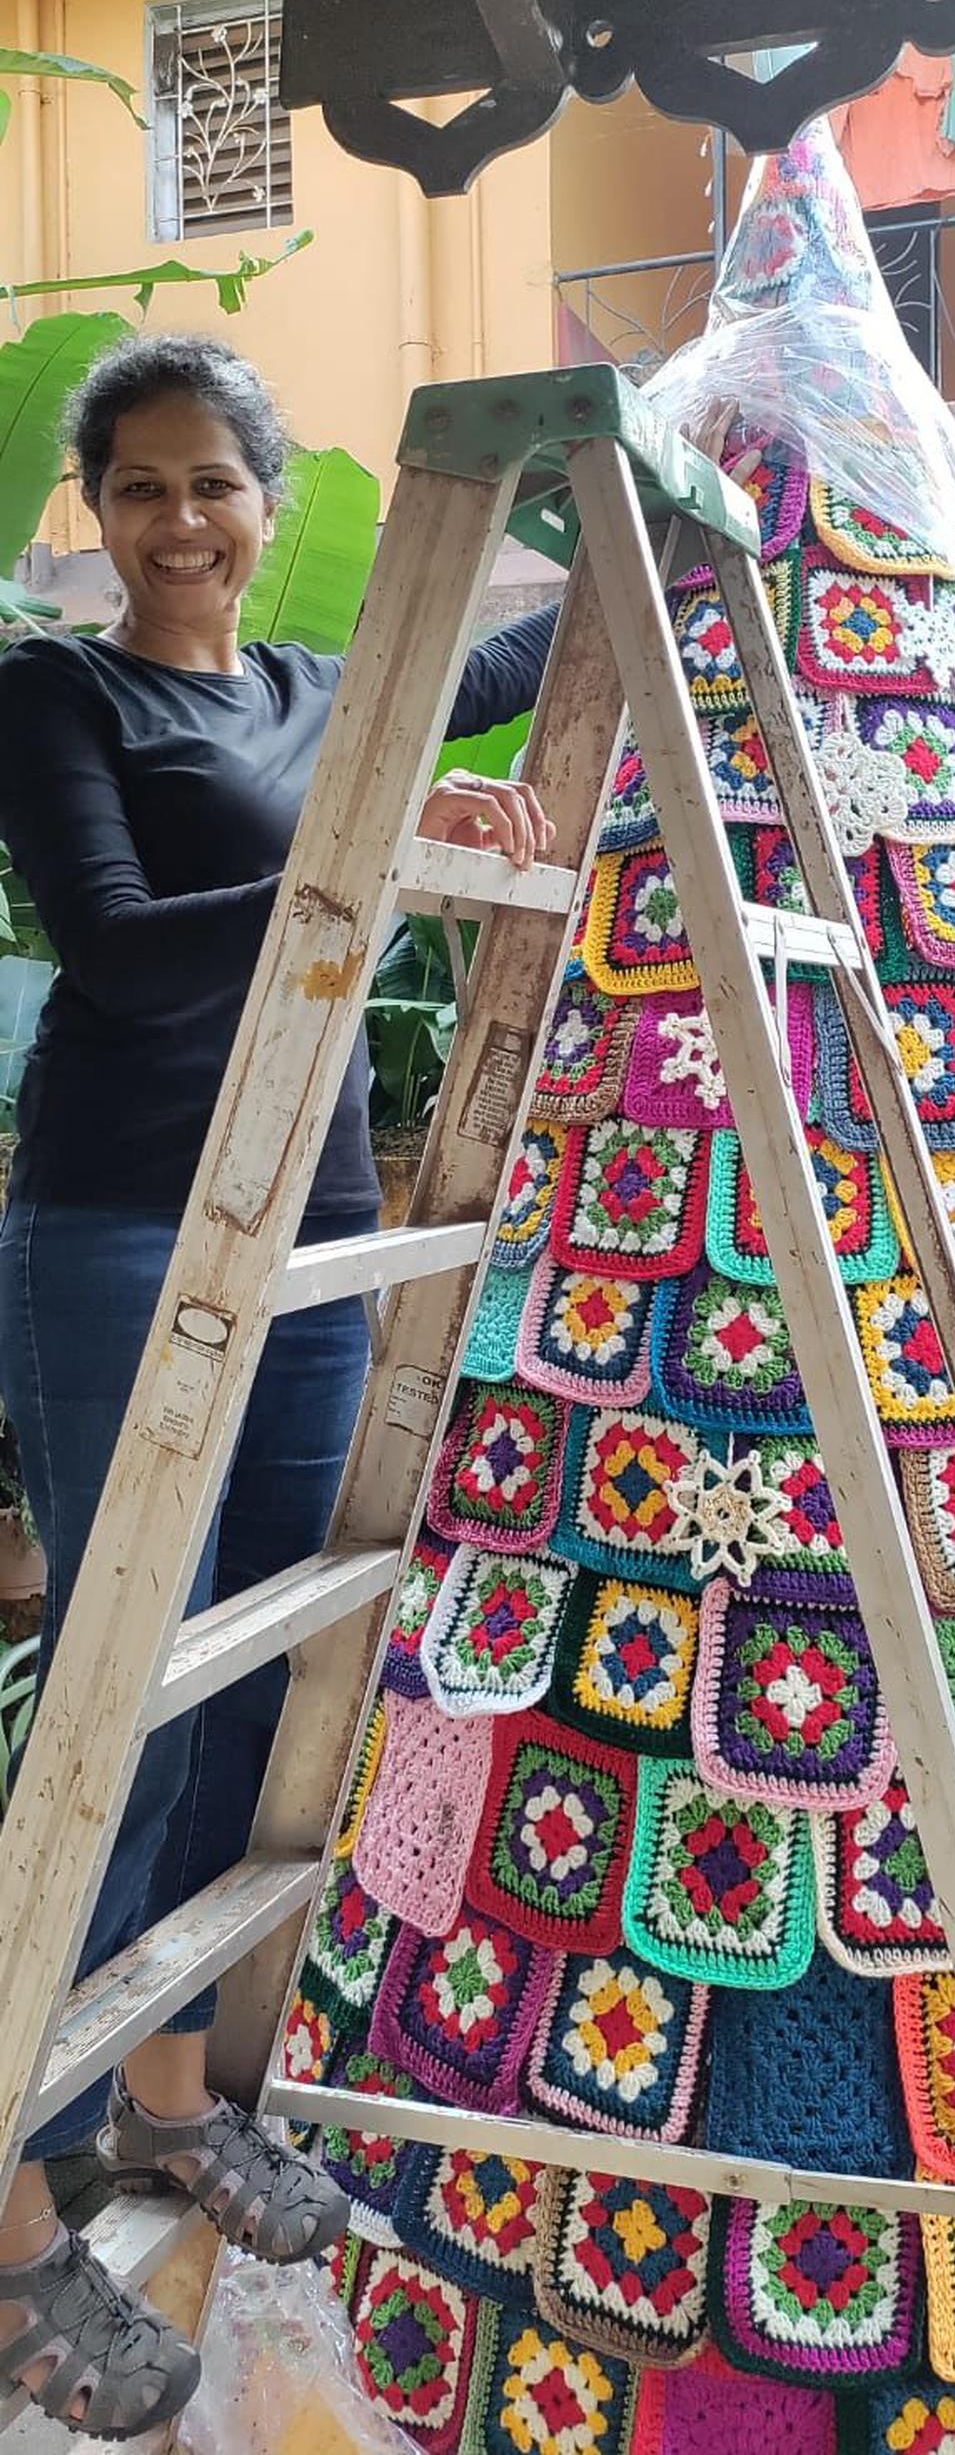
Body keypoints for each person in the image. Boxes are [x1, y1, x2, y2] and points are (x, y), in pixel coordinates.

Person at [0, 333, 559, 2437]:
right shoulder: (62, 693)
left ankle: (154, 2103)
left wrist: (698, 494)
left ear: (268, 495)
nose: (175, 523)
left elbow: (495, 657)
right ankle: (12, 2242)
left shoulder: (322, 694)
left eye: (211, 482)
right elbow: (122, 938)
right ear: (98, 509)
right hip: (129, 1235)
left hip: (311, 1242)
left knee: (244, 1700)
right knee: (117, 1702)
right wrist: (378, 869)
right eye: (134, 487)